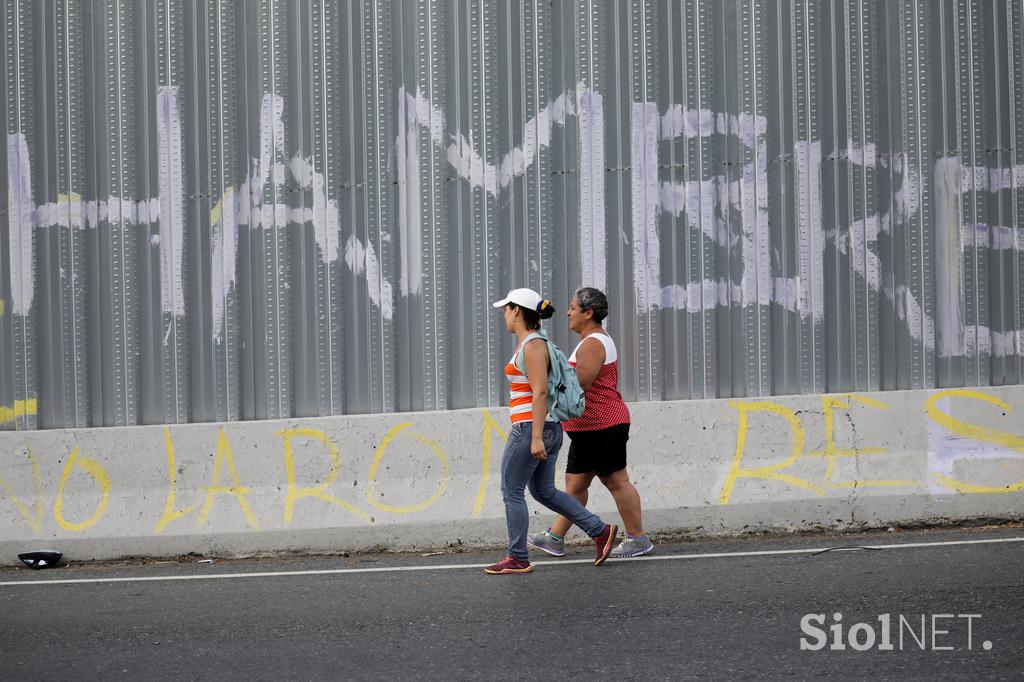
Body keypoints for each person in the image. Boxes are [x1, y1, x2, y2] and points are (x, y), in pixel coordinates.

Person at [484, 287, 618, 575]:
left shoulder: (532, 345)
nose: (504, 315)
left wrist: (533, 437)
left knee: (512, 491)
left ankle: (517, 557)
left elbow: (541, 392)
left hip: (532, 428)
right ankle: (599, 531)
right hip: (547, 428)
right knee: (544, 491)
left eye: (506, 309)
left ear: (517, 311)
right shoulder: (536, 342)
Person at [528, 287, 653, 558]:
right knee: (575, 485)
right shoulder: (589, 340)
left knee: (617, 481)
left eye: (573, 308)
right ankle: (555, 538)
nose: (568, 313)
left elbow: (580, 383)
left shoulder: (594, 342)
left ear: (588, 312)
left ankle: (638, 539)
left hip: (602, 425)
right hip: (588, 428)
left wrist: (548, 372)